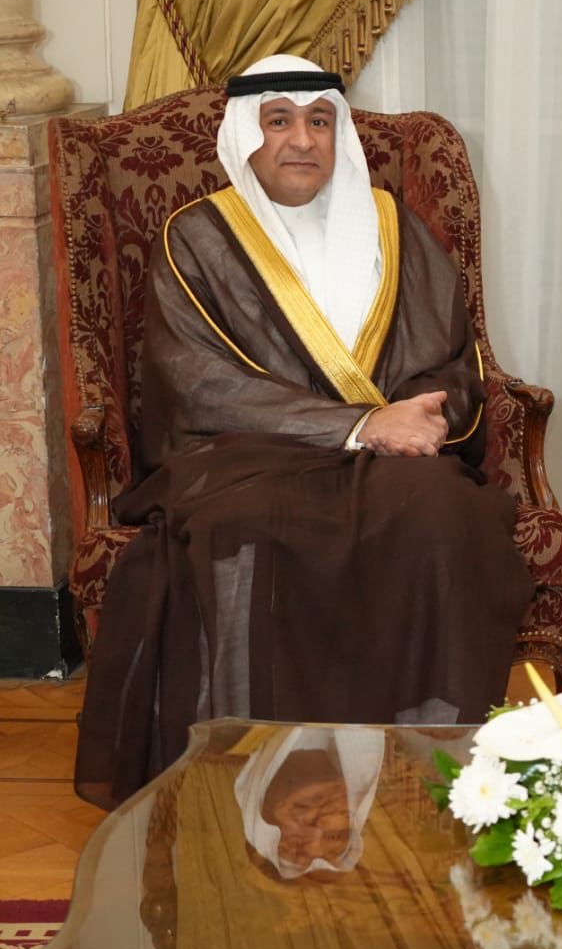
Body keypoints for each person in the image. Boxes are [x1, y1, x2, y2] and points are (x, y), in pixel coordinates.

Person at [74, 55, 535, 809]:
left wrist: (423, 417)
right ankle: (244, 769)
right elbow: (199, 383)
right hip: (243, 456)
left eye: (319, 121)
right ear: (244, 137)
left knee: (447, 513)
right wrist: (360, 425)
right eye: (279, 121)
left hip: (393, 458)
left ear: (338, 133)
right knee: (244, 525)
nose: (302, 140)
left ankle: (428, 766)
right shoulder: (197, 236)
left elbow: (451, 356)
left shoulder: (392, 225)